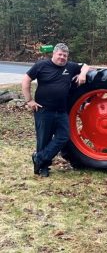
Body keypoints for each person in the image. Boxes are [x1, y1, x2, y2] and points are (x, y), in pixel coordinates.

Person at [22, 43, 91, 177]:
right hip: (44, 110)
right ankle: (43, 168)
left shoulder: (70, 66)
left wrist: (82, 74)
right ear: (53, 54)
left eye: (65, 55)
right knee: (44, 139)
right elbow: (26, 80)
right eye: (60, 54)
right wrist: (29, 100)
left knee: (64, 137)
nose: (62, 57)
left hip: (61, 111)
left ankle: (39, 158)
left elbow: (86, 66)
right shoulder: (41, 65)